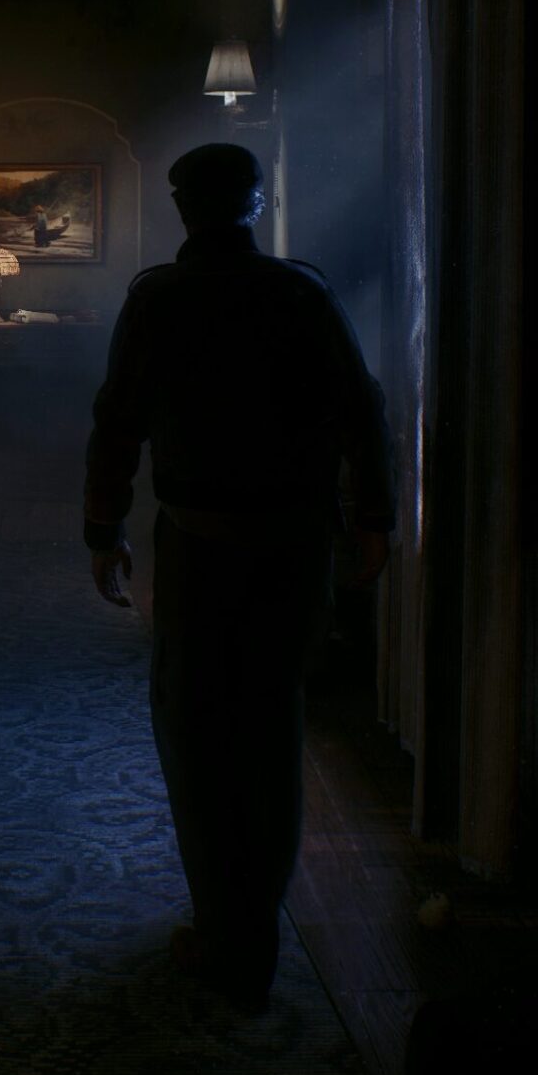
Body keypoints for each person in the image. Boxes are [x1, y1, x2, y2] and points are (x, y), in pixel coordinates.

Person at [84, 141, 393, 1010]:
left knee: (196, 735)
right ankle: (252, 930)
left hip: (200, 548)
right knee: (270, 730)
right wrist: (372, 519)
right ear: (256, 205)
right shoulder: (303, 292)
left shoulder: (158, 299)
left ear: (183, 208)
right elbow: (362, 408)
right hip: (293, 550)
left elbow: (117, 423)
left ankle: (225, 927)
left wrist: (104, 531)